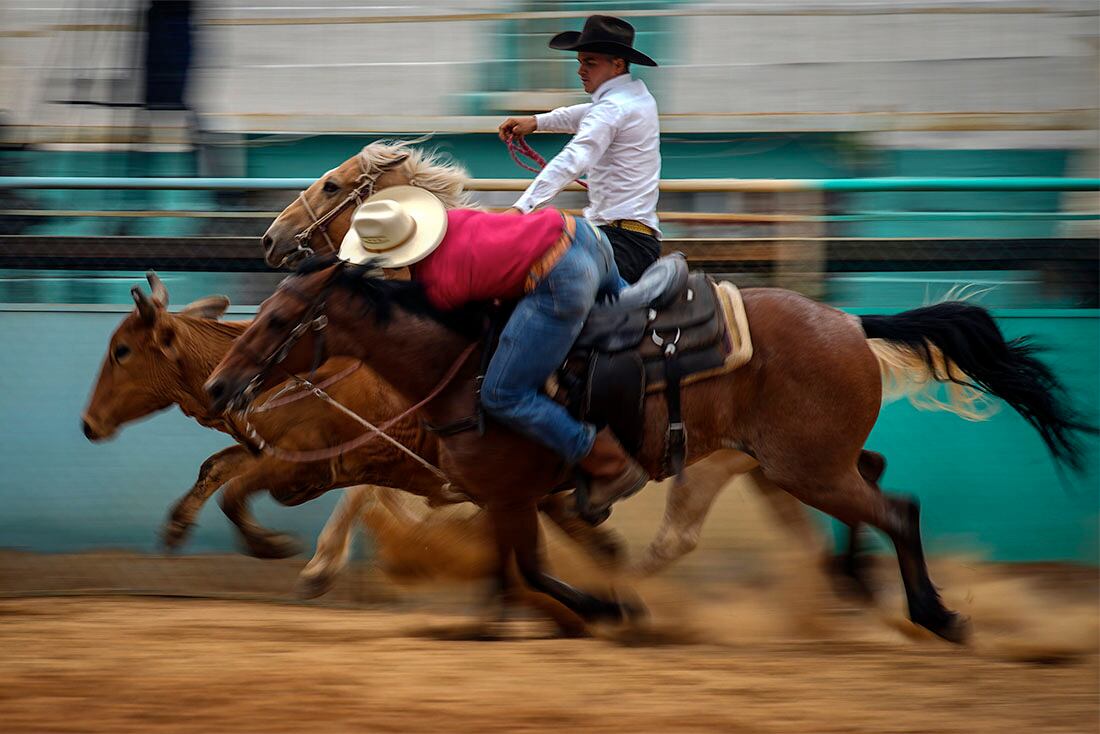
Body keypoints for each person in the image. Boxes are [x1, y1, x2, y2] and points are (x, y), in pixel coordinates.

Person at [338, 186, 648, 516]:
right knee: (633, 313)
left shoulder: (442, 287)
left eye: (385, 265)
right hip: (587, 237)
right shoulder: (448, 221)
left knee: (503, 393)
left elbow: (467, 334)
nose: (385, 273)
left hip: (563, 278)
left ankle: (609, 465)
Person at [497, 15, 662, 284]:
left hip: (621, 243)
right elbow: (583, 114)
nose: (580, 70)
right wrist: (536, 122)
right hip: (627, 238)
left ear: (617, 64)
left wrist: (521, 209)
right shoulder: (635, 97)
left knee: (536, 281)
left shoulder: (613, 108)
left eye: (590, 62)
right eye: (580, 62)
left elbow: (574, 158)